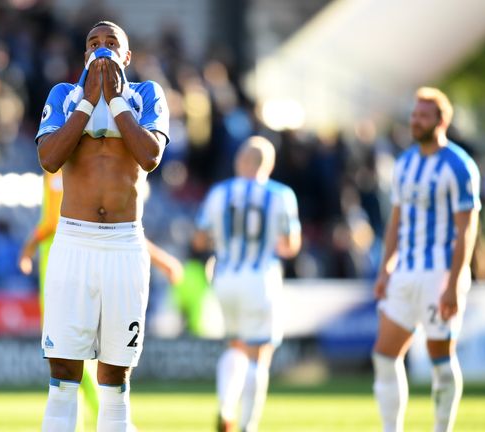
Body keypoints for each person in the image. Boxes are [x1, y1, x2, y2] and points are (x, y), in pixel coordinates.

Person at [33, 20, 170, 431]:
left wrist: (115, 101)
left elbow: (150, 157)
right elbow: (49, 158)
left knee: (114, 379)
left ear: (127, 56)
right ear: (85, 54)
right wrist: (88, 103)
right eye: (95, 42)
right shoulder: (64, 95)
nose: (103, 48)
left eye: (112, 43)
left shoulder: (146, 94)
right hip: (74, 241)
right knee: (63, 377)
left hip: (125, 247)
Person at [18, 169, 183, 431]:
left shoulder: (61, 165)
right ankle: (108, 421)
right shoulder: (84, 169)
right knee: (94, 362)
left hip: (62, 271)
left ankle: (110, 420)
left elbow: (51, 220)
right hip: (87, 266)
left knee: (67, 361)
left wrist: (27, 249)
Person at [372, 87, 480, 432]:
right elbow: (396, 221)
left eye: (422, 115)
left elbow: (466, 230)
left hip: (439, 274)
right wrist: (385, 268)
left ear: (441, 120)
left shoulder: (460, 166)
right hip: (405, 272)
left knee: (440, 359)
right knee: (384, 356)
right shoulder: (404, 163)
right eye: (414, 115)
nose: (415, 121)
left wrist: (454, 282)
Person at [193, 136, 301, 432]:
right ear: (269, 164)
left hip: (225, 276)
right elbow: (291, 245)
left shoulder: (220, 192)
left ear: (241, 162)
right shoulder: (281, 194)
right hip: (261, 277)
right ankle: (247, 425)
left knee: (235, 344)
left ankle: (226, 407)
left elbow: (200, 239)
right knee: (259, 353)